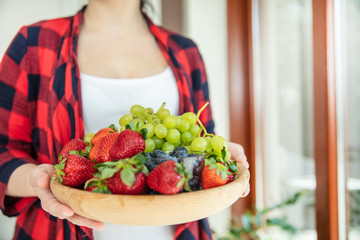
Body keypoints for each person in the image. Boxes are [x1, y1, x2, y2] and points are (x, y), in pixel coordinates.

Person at [0, 0, 250, 239]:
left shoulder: (186, 51)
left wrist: (224, 154)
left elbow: (200, 142)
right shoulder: (34, 43)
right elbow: (3, 152)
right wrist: (37, 181)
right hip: (55, 231)